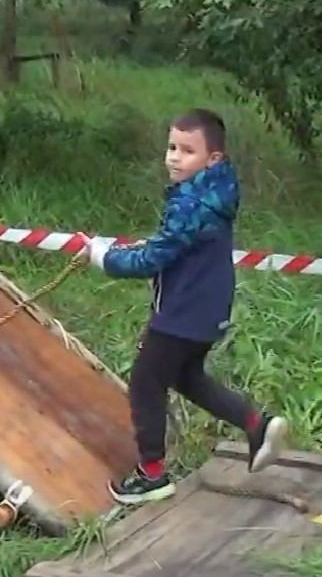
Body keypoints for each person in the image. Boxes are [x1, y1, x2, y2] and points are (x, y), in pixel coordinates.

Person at [83, 107, 288, 505]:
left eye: (187, 150)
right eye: (172, 147)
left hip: (182, 312)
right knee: (187, 376)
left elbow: (153, 259)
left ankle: (152, 475)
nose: (174, 157)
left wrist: (104, 258)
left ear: (213, 159)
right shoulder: (216, 191)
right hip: (209, 308)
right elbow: (176, 246)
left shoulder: (191, 204)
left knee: (146, 381)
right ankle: (256, 424)